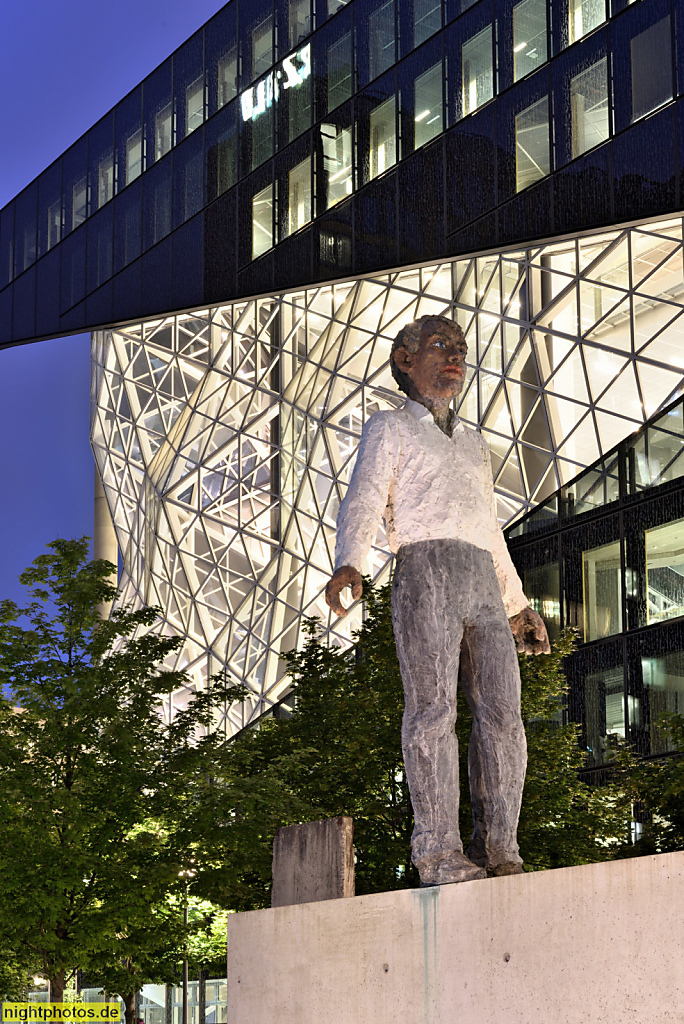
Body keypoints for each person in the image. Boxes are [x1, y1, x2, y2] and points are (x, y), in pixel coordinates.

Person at [325, 314, 550, 886]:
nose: (454, 357)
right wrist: (351, 560)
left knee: (504, 713)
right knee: (432, 710)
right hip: (424, 570)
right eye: (439, 345)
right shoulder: (390, 426)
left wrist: (517, 602)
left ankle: (500, 848)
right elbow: (364, 496)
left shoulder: (474, 443)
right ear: (405, 361)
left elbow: (489, 525)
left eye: (460, 349)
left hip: (482, 579)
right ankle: (437, 850)